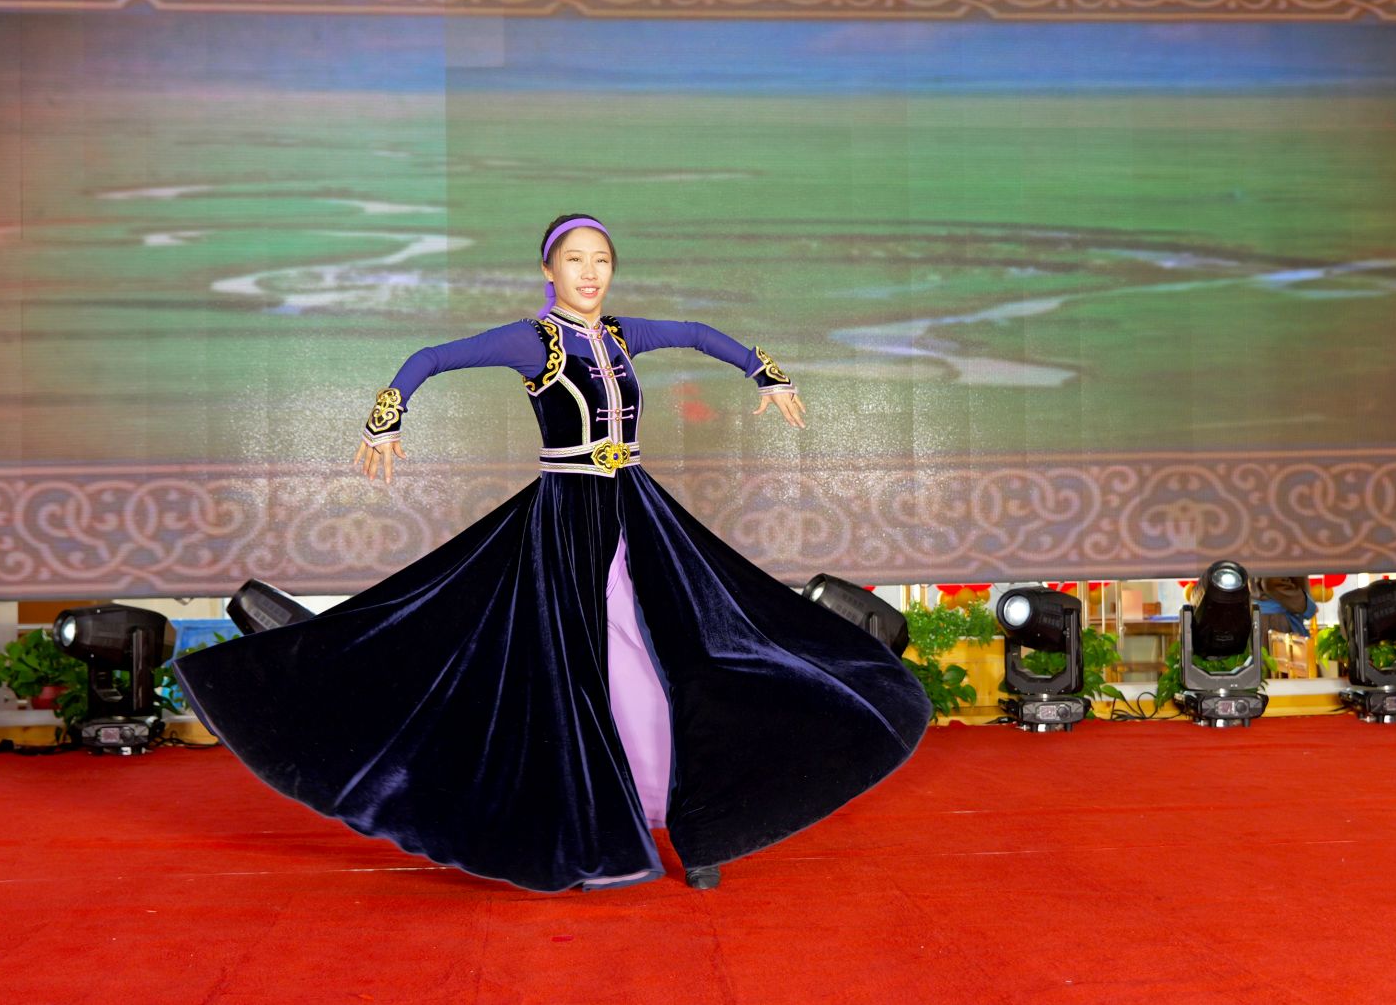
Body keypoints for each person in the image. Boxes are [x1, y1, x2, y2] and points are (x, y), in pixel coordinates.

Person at [175, 213, 931, 893]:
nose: (590, 273)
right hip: (566, 519)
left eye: (601, 260)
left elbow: (699, 332)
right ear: (549, 269)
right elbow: (431, 357)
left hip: (637, 511)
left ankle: (704, 829)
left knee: (688, 651)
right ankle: (595, 825)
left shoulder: (623, 335)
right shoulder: (532, 341)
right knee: (572, 667)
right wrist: (387, 417)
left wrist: (763, 371)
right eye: (575, 260)